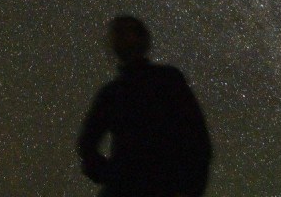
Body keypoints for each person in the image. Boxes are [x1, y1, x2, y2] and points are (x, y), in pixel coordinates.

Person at [77, 15, 212, 197]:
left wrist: (112, 175)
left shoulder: (116, 92)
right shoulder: (166, 80)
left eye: (126, 32)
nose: (122, 37)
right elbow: (198, 140)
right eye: (119, 33)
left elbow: (198, 140)